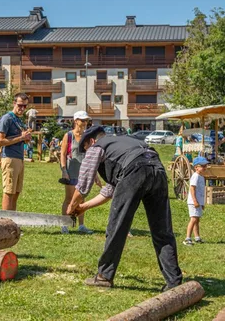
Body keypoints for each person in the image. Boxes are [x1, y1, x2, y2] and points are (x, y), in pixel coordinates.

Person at [66, 126, 182, 291]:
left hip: (135, 171)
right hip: (157, 170)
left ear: (91, 141)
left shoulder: (96, 147)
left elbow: (84, 183)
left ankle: (104, 276)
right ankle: (174, 283)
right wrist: (84, 207)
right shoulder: (126, 143)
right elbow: (111, 189)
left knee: (117, 227)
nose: (86, 153)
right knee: (162, 230)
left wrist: (72, 206)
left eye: (84, 149)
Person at [60, 111, 94, 234]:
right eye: (82, 120)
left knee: (82, 199)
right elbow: (63, 154)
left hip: (84, 171)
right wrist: (64, 170)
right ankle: (64, 224)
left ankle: (81, 225)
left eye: (86, 120)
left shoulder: (88, 136)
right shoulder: (68, 136)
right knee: (69, 198)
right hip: (71, 170)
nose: (85, 122)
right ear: (76, 121)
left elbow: (90, 155)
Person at [0, 93, 32, 210]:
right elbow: (0, 141)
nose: (22, 108)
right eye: (20, 105)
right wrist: (21, 137)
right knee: (9, 192)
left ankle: (12, 222)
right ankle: (4, 224)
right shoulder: (7, 118)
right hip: (10, 158)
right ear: (14, 103)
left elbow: (19, 139)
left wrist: (26, 138)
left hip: (19, 158)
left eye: (25, 106)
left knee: (16, 192)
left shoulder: (18, 120)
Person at [183, 156, 209, 246]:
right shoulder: (195, 176)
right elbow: (192, 189)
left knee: (197, 220)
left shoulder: (201, 177)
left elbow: (201, 191)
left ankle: (197, 237)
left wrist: (202, 203)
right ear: (196, 167)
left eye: (205, 166)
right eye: (202, 166)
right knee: (193, 219)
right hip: (193, 202)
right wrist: (195, 201)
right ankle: (187, 238)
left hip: (198, 202)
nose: (205, 168)